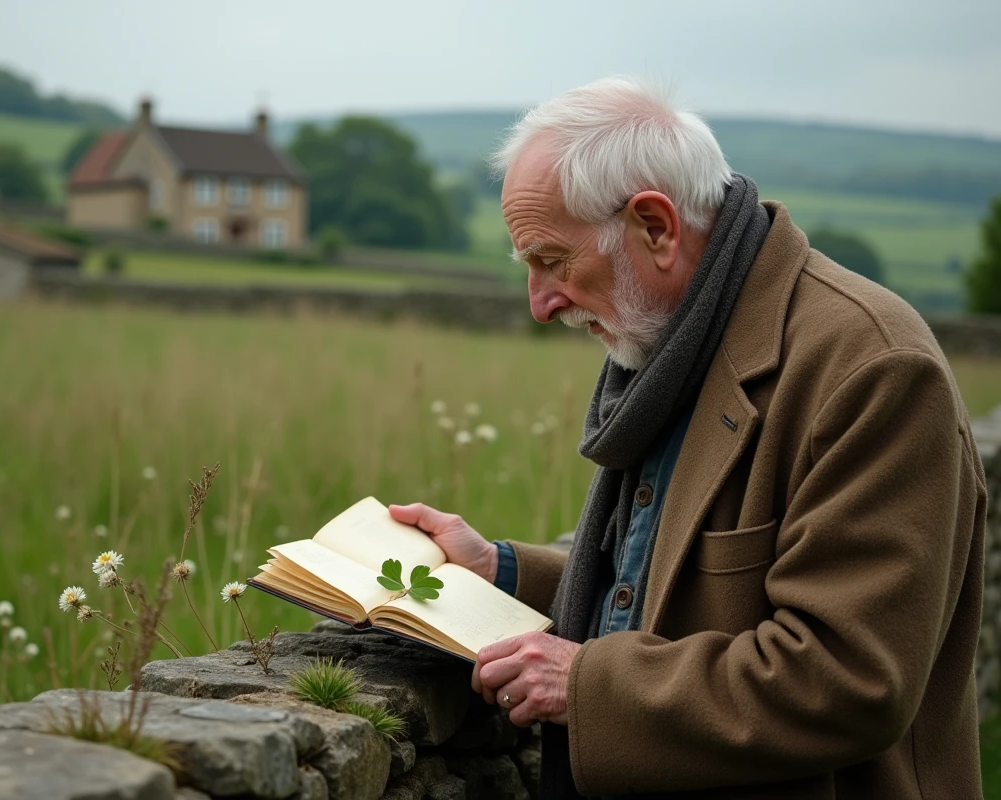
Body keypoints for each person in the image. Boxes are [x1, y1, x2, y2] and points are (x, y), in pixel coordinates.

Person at [388, 76, 986, 799]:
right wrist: (505, 573)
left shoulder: (873, 369)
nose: (540, 305)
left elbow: (847, 678)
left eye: (552, 261)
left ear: (656, 227)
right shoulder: (682, 335)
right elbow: (664, 577)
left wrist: (585, 685)